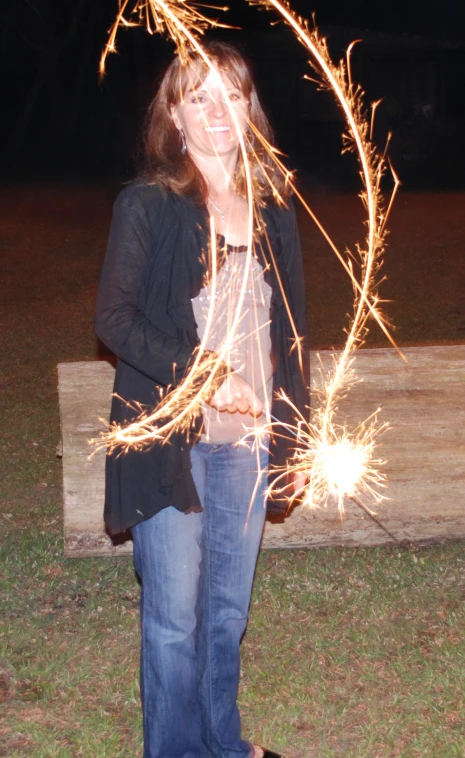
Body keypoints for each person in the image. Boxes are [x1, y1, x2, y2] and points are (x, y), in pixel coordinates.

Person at [95, 40, 309, 758]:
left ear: (251, 108)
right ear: (174, 117)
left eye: (232, 95)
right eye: (200, 98)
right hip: (168, 436)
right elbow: (115, 319)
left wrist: (294, 438)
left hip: (247, 444)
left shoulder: (275, 209)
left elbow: (292, 338)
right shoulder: (149, 205)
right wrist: (206, 374)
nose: (220, 112)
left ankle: (223, 744)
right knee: (174, 618)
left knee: (224, 611)